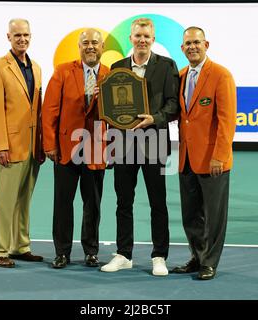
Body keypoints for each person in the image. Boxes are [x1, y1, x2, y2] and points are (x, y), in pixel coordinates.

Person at [101, 18, 179, 276]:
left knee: (158, 202)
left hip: (154, 142)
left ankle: (159, 256)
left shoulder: (167, 66)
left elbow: (173, 105)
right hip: (123, 145)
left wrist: (153, 119)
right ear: (131, 39)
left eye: (146, 36)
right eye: (137, 36)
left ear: (153, 39)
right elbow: (111, 106)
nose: (142, 40)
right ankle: (124, 254)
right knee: (124, 201)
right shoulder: (117, 67)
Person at [171, 26, 237, 280]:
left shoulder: (221, 75)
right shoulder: (182, 75)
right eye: (188, 43)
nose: (192, 47)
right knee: (191, 214)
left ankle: (210, 261)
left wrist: (220, 155)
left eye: (197, 42)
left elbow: (227, 121)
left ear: (206, 44)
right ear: (182, 48)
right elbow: (178, 114)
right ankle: (197, 257)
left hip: (213, 161)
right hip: (186, 158)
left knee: (214, 216)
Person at [42, 28, 109, 269]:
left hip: (96, 151)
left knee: (93, 204)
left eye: (95, 43)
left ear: (102, 47)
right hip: (65, 150)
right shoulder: (62, 71)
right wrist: (49, 144)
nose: (90, 47)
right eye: (85, 43)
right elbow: (49, 111)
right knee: (63, 203)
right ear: (79, 48)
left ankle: (91, 251)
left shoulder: (112, 75)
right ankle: (62, 252)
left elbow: (116, 120)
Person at [0, 19, 44, 268]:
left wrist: (41, 144)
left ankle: (20, 246)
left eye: (26, 35)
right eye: (17, 35)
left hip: (32, 146)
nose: (22, 39)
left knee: (23, 199)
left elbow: (38, 110)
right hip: (9, 146)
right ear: (8, 37)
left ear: (31, 36)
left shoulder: (37, 67)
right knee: (3, 201)